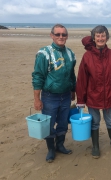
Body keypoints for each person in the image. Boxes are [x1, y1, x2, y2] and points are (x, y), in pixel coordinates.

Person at [76, 25, 111, 159]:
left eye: (103, 35)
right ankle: (95, 146)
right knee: (95, 122)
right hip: (93, 97)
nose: (100, 38)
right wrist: (80, 100)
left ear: (107, 37)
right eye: (98, 36)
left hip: (109, 97)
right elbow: (81, 79)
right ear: (94, 38)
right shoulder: (87, 56)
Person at [32, 24, 76, 163]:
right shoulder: (43, 53)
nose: (61, 37)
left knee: (63, 123)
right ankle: (51, 149)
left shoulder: (70, 53)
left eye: (63, 34)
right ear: (52, 35)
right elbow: (38, 76)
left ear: (67, 36)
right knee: (49, 125)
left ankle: (60, 145)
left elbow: (71, 75)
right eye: (58, 34)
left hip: (66, 95)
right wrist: (37, 99)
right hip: (50, 97)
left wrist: (73, 90)